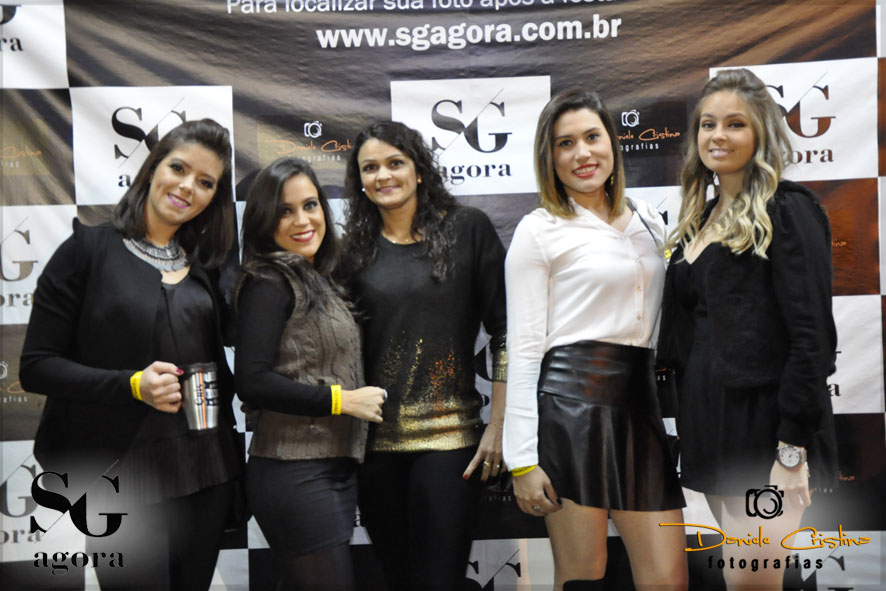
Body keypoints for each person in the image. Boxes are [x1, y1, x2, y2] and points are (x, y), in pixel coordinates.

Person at [20, 118, 242, 590]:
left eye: (206, 182)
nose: (188, 187)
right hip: (118, 477)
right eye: (178, 168)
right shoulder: (87, 250)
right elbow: (36, 367)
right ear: (152, 168)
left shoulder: (205, 267)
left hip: (207, 470)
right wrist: (132, 385)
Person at [657, 68, 838, 589]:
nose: (718, 135)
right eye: (708, 124)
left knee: (751, 582)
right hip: (709, 424)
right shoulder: (700, 217)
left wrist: (791, 451)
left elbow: (813, 340)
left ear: (761, 133)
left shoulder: (787, 209)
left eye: (735, 124)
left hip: (764, 431)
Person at [503, 88, 688, 591]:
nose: (582, 153)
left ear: (612, 143)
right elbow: (524, 351)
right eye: (565, 144)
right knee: (583, 577)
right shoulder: (538, 230)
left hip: (640, 408)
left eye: (592, 137)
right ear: (549, 157)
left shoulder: (647, 218)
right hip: (569, 413)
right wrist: (522, 459)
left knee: (668, 579)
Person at [339, 120, 508, 590]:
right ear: (359, 180)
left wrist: (498, 424)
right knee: (400, 580)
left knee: (440, 581)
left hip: (451, 442)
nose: (383, 175)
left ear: (418, 170)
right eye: (370, 168)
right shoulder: (351, 251)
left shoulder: (467, 229)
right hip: (374, 449)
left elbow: (506, 330)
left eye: (395, 163)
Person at [234, 157, 386, 590]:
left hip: (330, 469)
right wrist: (342, 400)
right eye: (285, 211)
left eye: (310, 205)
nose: (303, 220)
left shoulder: (320, 278)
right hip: (295, 473)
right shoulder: (269, 280)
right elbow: (251, 380)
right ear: (265, 220)